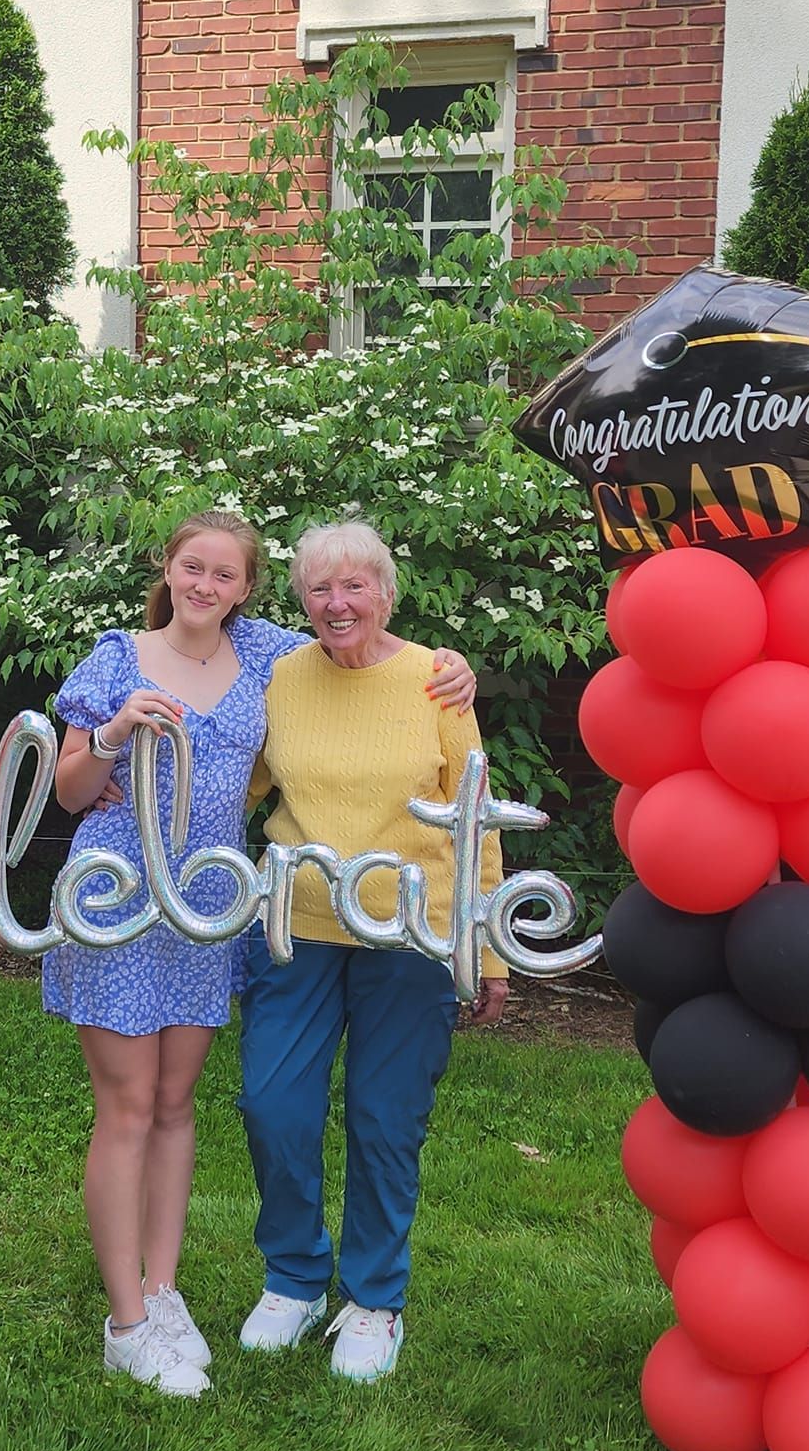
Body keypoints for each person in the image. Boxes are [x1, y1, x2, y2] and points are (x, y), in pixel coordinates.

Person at [49, 509, 475, 1396]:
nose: (204, 585)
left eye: (224, 574)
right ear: (166, 569)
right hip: (158, 898)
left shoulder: (307, 663)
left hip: (237, 907)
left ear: (246, 591)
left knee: (185, 1107)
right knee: (172, 1106)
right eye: (190, 567)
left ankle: (217, 1297)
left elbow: (375, 656)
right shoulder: (142, 659)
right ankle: (152, 1314)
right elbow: (68, 788)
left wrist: (453, 666)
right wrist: (118, 730)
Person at [236, 519, 508, 1384]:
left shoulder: (437, 679)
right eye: (319, 587)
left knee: (386, 1121)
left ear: (388, 592)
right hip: (296, 931)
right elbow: (238, 785)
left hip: (411, 938)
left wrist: (487, 944)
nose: (337, 602)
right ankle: (294, 1278)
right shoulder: (281, 676)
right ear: (300, 600)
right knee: (272, 1105)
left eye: (356, 585)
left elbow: (475, 817)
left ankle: (374, 1299)